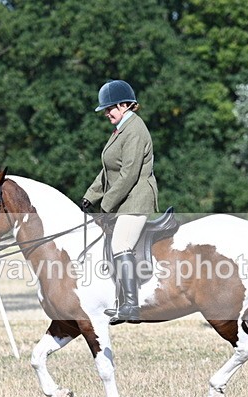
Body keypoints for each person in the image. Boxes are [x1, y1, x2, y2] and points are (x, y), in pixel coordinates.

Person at [81, 80, 159, 323]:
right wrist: (89, 196)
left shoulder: (135, 130)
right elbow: (107, 171)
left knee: (121, 245)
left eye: (110, 108)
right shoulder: (120, 130)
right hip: (124, 199)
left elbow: (129, 174)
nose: (106, 113)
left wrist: (106, 204)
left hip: (136, 199)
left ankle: (131, 307)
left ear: (125, 105)